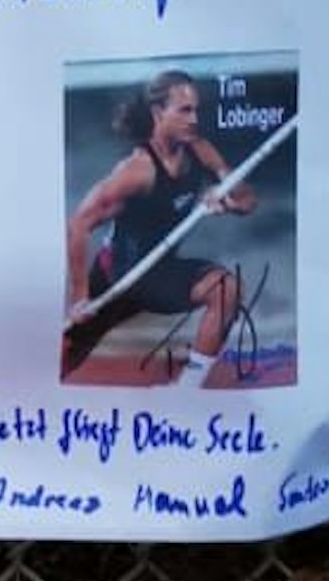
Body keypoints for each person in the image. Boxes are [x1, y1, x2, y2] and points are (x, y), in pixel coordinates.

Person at [63, 69, 256, 385]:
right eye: (184, 110)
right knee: (63, 357)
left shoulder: (200, 150)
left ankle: (189, 388)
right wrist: (80, 295)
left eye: (196, 110)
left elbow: (247, 197)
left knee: (226, 289)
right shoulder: (136, 172)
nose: (194, 119)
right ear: (157, 112)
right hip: (118, 280)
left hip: (160, 277)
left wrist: (231, 202)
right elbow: (78, 224)